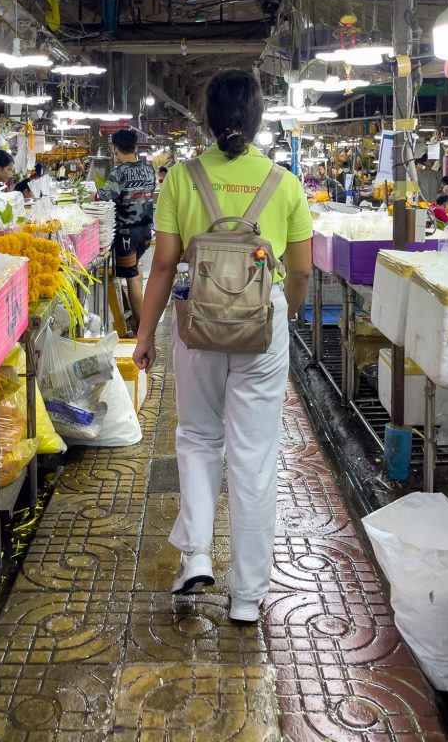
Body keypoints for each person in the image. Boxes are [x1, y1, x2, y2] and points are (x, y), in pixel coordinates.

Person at [133, 69, 312, 625]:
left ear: (206, 120)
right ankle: (246, 596)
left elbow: (163, 265)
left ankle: (196, 556)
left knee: (197, 437)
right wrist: (286, 312)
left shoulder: (182, 179)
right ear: (257, 120)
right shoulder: (284, 184)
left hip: (198, 323)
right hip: (263, 323)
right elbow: (302, 270)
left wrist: (144, 336)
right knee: (255, 457)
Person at [98, 128, 156, 333]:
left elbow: (103, 197)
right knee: (136, 270)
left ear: (115, 149)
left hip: (126, 235)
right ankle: (139, 321)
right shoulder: (149, 169)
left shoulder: (119, 173)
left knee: (131, 278)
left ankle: (142, 328)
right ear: (136, 147)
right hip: (145, 232)